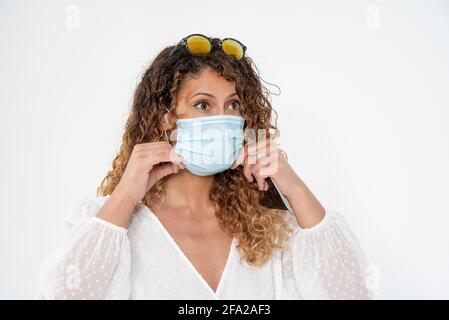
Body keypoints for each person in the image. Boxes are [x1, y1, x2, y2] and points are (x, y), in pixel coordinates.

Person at [37, 34, 372, 300]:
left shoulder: (267, 226)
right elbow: (65, 295)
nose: (222, 118)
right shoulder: (114, 225)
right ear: (166, 118)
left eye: (233, 105)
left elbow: (353, 295)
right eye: (202, 104)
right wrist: (126, 193)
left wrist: (294, 187)